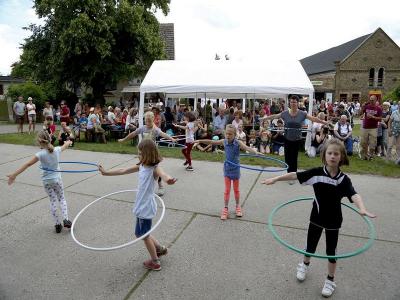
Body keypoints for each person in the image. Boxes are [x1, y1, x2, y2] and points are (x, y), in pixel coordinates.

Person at [261, 138, 376, 297]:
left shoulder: (343, 180)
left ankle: (330, 280)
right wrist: (275, 179)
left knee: (331, 252)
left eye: (336, 153)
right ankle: (304, 264)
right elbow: (296, 175)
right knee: (310, 245)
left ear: (341, 157)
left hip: (334, 221)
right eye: (329, 153)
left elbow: (354, 194)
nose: (333, 156)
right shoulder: (316, 173)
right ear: (324, 155)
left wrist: (362, 208)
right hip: (316, 217)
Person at [98, 139, 177, 271]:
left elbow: (163, 174)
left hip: (145, 207)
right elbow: (123, 170)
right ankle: (160, 249)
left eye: (140, 154)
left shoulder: (154, 168)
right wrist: (106, 173)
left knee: (142, 235)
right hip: (142, 204)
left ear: (148, 154)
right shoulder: (141, 166)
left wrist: (168, 179)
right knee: (143, 233)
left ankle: (155, 261)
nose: (138, 156)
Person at [7, 131, 73, 233]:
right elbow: (65, 145)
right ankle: (66, 219)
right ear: (50, 139)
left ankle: (57, 224)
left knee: (52, 200)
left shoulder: (40, 154)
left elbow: (27, 164)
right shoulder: (56, 150)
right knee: (61, 198)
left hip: (46, 182)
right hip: (57, 180)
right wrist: (68, 142)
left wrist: (14, 175)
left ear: (39, 142)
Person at [196, 124, 261, 220]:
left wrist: (256, 152)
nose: (228, 136)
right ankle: (225, 208)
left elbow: (247, 148)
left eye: (230, 134)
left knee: (236, 190)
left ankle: (238, 207)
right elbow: (212, 142)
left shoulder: (237, 143)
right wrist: (200, 140)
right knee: (227, 190)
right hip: (227, 169)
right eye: (227, 134)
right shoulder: (224, 142)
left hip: (235, 169)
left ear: (235, 135)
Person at [262, 95, 328, 183]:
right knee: (288, 158)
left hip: (296, 139)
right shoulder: (285, 113)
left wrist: (323, 122)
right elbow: (275, 116)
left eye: (295, 102)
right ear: (289, 103)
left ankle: (293, 176)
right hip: (287, 138)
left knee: (294, 158)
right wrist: (265, 118)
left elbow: (313, 118)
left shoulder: (302, 114)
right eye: (291, 102)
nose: (293, 103)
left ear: (298, 103)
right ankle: (288, 175)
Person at [118, 111, 176, 196]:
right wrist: (123, 139)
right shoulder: (143, 128)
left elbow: (163, 134)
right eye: (146, 121)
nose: (147, 123)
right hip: (142, 152)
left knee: (155, 169)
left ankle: (160, 186)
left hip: (152, 153)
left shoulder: (155, 129)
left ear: (153, 120)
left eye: (149, 121)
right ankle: (144, 185)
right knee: (144, 169)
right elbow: (133, 134)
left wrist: (171, 138)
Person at [360, 95, 382, 160]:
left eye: (372, 100)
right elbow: (360, 114)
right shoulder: (366, 106)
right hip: (365, 127)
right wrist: (362, 107)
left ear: (376, 100)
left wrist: (373, 117)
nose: (371, 101)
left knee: (373, 143)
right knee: (363, 142)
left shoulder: (378, 108)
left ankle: (371, 155)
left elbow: (380, 118)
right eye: (370, 100)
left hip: (374, 128)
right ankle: (364, 156)